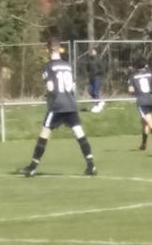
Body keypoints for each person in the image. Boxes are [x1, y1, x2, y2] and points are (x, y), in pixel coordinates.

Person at [19, 41, 97, 176]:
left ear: (48, 50)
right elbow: (73, 87)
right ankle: (91, 165)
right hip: (70, 104)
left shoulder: (48, 66)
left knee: (44, 133)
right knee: (79, 133)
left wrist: (47, 96)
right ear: (59, 49)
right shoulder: (67, 65)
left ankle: (32, 167)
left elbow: (50, 87)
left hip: (57, 105)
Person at [129, 60, 152, 150]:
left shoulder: (133, 76)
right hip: (151, 99)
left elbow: (131, 89)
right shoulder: (150, 73)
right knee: (144, 122)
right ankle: (143, 144)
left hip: (142, 100)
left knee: (149, 122)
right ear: (145, 65)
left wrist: (133, 91)